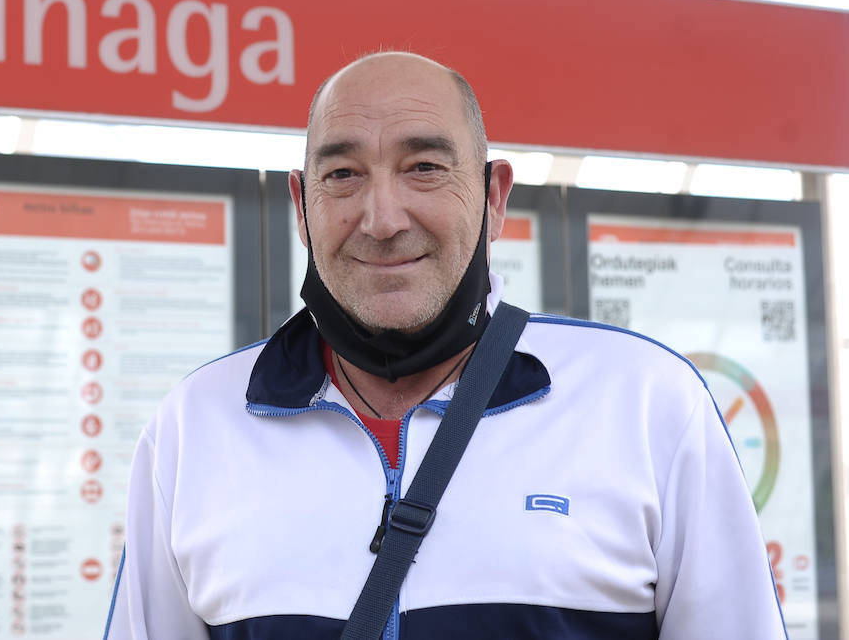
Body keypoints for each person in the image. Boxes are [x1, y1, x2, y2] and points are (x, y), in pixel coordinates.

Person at [103, 51, 786, 639]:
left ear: (494, 197)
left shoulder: (644, 403)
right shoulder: (195, 427)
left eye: (424, 167)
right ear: (302, 207)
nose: (382, 219)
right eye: (342, 175)